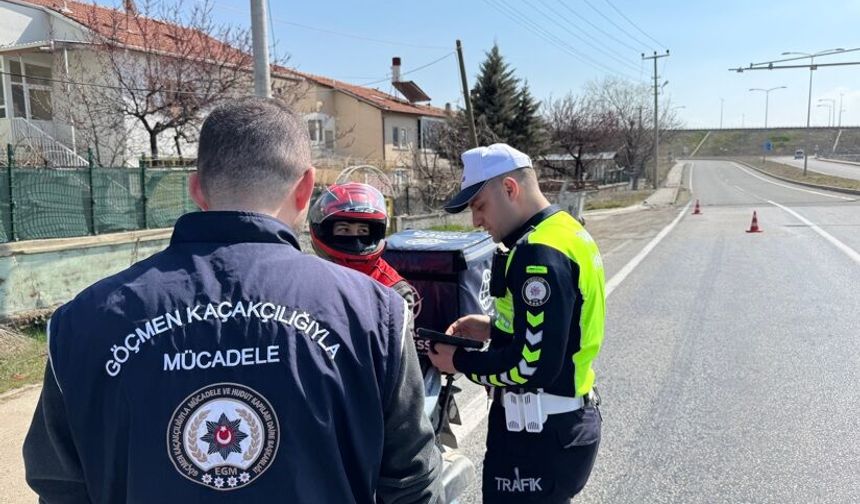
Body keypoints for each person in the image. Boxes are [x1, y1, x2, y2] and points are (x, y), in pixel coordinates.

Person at [23, 98, 442, 504]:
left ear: (196, 190)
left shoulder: (81, 324)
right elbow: (412, 481)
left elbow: (59, 486)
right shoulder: (374, 313)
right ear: (306, 189)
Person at [427, 143, 605, 503]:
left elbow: (531, 366)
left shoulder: (538, 253)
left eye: (479, 206)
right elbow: (562, 329)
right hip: (560, 427)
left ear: (510, 189)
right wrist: (493, 329)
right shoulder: (564, 231)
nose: (475, 220)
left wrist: (460, 362)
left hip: (537, 440)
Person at [308, 182, 416, 309]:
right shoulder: (308, 276)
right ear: (325, 231)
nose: (356, 240)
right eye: (344, 230)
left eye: (363, 231)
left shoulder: (393, 290)